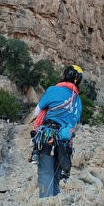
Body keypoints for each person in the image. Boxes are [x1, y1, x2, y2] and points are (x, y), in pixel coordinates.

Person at [30, 65, 83, 198]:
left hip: (48, 137)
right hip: (65, 143)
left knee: (45, 174)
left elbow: (37, 111)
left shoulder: (53, 90)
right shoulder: (78, 100)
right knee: (55, 177)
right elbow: (74, 123)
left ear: (65, 75)